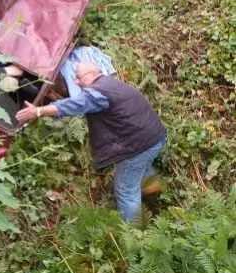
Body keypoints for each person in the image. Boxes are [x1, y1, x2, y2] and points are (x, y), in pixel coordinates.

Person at [16, 62, 167, 222]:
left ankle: (133, 234)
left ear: (93, 73)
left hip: (140, 146)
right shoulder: (111, 83)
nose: (76, 81)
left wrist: (38, 111)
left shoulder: (98, 93)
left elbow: (74, 105)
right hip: (155, 137)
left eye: (79, 77)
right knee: (138, 167)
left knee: (126, 190)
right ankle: (152, 188)